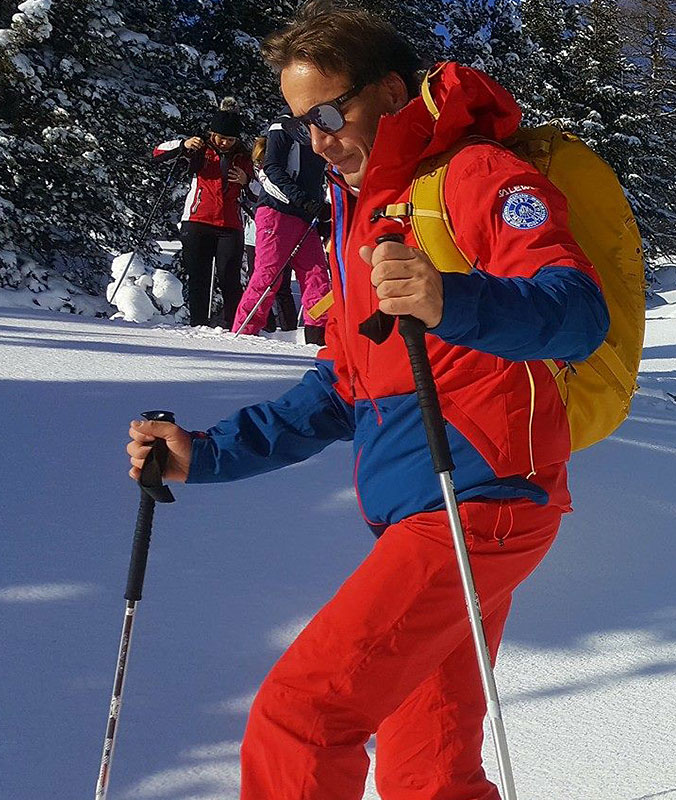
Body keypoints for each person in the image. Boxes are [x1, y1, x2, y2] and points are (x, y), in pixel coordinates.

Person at [123, 5, 609, 798]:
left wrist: (452, 299)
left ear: (388, 92)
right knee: (429, 768)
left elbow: (579, 312)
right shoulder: (362, 216)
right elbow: (345, 387)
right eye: (298, 122)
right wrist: (205, 454)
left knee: (302, 717)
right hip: (430, 511)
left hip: (476, 504)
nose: (316, 140)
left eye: (327, 112)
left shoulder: (475, 178)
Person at [152, 101, 253, 327]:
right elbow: (157, 152)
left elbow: (257, 192)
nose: (225, 143)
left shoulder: (244, 158)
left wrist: (247, 181)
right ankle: (198, 325)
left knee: (230, 277)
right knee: (199, 277)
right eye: (220, 138)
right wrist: (182, 144)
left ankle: (233, 325)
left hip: (230, 225)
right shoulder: (200, 149)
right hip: (197, 221)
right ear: (212, 134)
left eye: (230, 139)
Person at [232, 115, 331, 344]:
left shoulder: (322, 123)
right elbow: (273, 170)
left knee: (317, 276)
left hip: (306, 216)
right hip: (277, 210)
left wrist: (319, 208)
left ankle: (318, 337)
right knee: (269, 275)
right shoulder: (285, 123)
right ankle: (243, 333)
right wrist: (305, 201)